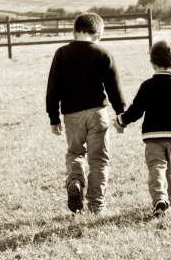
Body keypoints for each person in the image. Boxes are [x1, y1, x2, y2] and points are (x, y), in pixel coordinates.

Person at [114, 40, 171, 217]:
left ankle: (159, 198)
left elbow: (136, 110)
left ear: (152, 62)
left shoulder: (147, 85)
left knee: (156, 167)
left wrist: (121, 121)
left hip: (153, 136)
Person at [46, 12, 125, 214]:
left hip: (72, 115)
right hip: (98, 113)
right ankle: (96, 204)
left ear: (74, 31)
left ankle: (75, 180)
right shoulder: (103, 54)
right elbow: (114, 88)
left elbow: (53, 88)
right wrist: (121, 114)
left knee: (75, 152)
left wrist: (53, 117)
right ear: (98, 34)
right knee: (99, 159)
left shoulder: (62, 53)